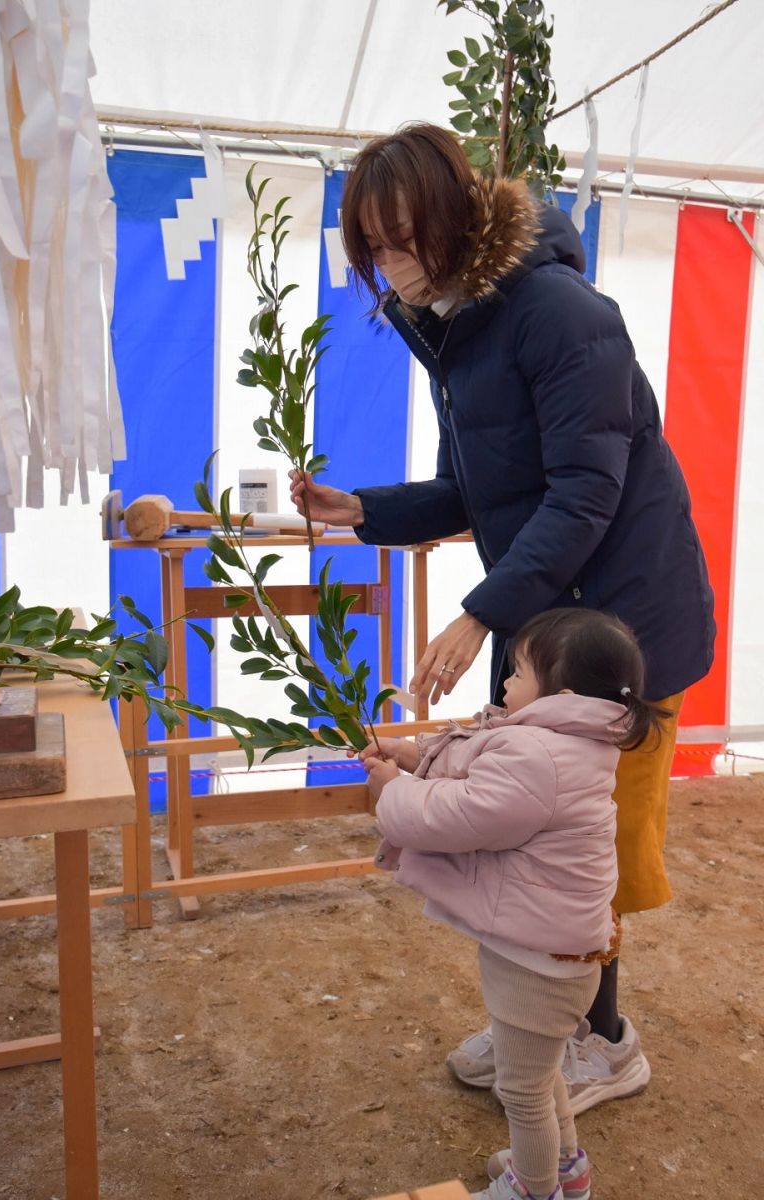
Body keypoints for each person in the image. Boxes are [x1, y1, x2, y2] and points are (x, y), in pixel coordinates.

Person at [289, 122, 715, 1112]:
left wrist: (478, 616)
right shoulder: (452, 323)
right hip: (547, 617)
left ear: (451, 221)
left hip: (621, 627)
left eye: (400, 242)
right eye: (371, 250)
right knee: (528, 832)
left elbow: (581, 496)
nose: (386, 268)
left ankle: (602, 1040)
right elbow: (478, 487)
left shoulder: (558, 314)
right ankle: (546, 1019)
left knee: (584, 844)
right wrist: (365, 510)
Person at [362, 608, 667, 1200]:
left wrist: (393, 793)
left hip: (537, 964)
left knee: (522, 1090)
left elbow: (461, 815)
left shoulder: (540, 757)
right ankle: (565, 1170)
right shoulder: (561, 743)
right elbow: (477, 760)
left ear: (565, 692)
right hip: (546, 951)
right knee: (540, 1070)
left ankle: (534, 1188)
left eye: (519, 669)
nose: (505, 680)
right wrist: (409, 756)